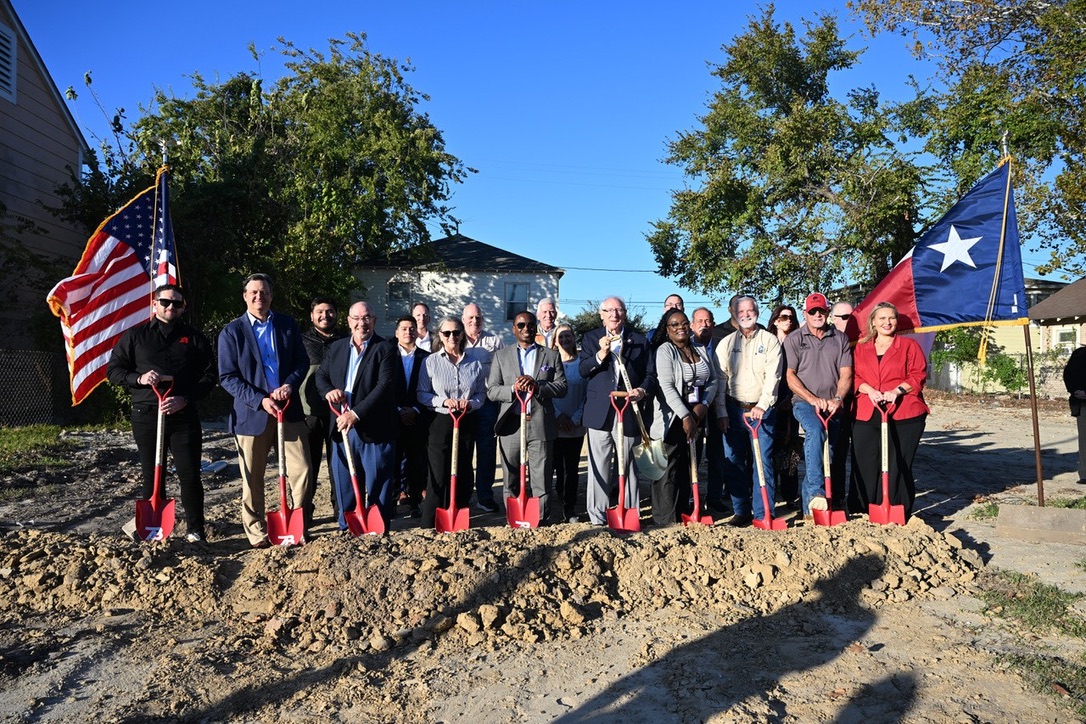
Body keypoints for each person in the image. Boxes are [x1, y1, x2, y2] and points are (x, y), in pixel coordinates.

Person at [107, 284, 217, 542]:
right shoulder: (135, 336)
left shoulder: (195, 338)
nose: (170, 307)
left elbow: (210, 376)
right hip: (146, 413)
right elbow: (114, 371)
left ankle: (195, 530)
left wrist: (185, 398)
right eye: (165, 302)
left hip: (183, 414)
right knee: (152, 471)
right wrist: (140, 378)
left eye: (176, 304)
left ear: (183, 307)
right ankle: (152, 527)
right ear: (154, 304)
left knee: (189, 473)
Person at [218, 273, 313, 548]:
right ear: (245, 296)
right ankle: (257, 531)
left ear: (271, 296)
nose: (260, 297)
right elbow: (228, 376)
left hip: (288, 410)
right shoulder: (232, 332)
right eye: (254, 293)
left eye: (265, 292)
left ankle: (297, 524)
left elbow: (301, 362)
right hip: (252, 415)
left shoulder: (287, 325)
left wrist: (289, 385)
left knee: (303, 469)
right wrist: (260, 400)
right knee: (252, 477)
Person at [317, 302, 400, 530]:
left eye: (366, 318)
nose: (361, 323)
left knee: (378, 483)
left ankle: (376, 528)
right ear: (348, 321)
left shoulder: (386, 349)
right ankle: (348, 526)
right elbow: (321, 376)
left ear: (373, 320)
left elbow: (384, 386)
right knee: (345, 484)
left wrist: (355, 414)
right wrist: (328, 391)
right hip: (343, 429)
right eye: (356, 318)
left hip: (375, 429)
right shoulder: (337, 348)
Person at [579, 296, 656, 525]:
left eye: (619, 310)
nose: (614, 315)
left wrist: (642, 391)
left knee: (629, 465)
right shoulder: (591, 338)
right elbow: (584, 370)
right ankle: (598, 516)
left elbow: (651, 375)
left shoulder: (640, 341)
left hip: (629, 410)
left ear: (625, 314)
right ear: (601, 314)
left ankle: (630, 513)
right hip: (599, 412)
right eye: (609, 311)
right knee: (598, 467)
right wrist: (600, 354)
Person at [487, 311, 567, 522]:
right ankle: (514, 518)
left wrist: (538, 386)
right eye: (521, 325)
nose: (526, 329)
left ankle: (539, 518)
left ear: (536, 327)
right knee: (511, 476)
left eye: (530, 325)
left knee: (541, 476)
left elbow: (562, 387)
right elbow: (492, 390)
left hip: (539, 422)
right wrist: (513, 388)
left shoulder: (551, 355)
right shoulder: (501, 356)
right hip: (511, 425)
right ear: (514, 328)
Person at [851, 302, 929, 516]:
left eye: (891, 318)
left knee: (897, 463)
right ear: (873, 322)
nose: (887, 322)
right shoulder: (860, 348)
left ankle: (898, 509)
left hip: (904, 413)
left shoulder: (909, 346)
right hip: (867, 410)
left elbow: (918, 375)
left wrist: (896, 391)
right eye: (882, 318)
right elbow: (854, 376)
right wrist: (868, 390)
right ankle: (862, 509)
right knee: (865, 460)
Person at [783, 292, 853, 519]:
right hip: (804, 402)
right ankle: (816, 492)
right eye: (812, 311)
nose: (817, 315)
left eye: (821, 311)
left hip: (832, 405)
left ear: (827, 312)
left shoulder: (839, 338)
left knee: (827, 455)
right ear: (805, 314)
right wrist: (812, 399)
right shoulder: (795, 339)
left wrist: (838, 399)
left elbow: (846, 374)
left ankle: (809, 511)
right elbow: (790, 376)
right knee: (815, 431)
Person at [715, 295, 783, 526]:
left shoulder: (770, 340)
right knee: (734, 461)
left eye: (750, 310)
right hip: (734, 409)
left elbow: (773, 377)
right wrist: (721, 413)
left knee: (763, 462)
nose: (745, 314)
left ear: (757, 311)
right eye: (741, 311)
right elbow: (720, 379)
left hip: (762, 411)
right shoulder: (726, 344)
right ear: (734, 314)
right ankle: (741, 510)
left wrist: (762, 405)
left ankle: (764, 512)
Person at [417, 316, 488, 528]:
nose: (452, 337)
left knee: (464, 469)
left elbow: (481, 394)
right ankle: (430, 520)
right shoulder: (430, 362)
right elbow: (422, 394)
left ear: (462, 335)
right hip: (441, 421)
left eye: (456, 332)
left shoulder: (474, 363)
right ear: (440, 335)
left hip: (466, 421)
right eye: (447, 333)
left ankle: (458, 512)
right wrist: (445, 401)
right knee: (438, 472)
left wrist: (470, 403)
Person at [650, 308, 716, 525]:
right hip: (673, 417)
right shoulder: (665, 351)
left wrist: (703, 405)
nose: (680, 328)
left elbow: (714, 380)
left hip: (697, 416)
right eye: (674, 325)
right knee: (667, 469)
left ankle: (684, 512)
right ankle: (664, 519)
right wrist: (686, 415)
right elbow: (666, 386)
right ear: (667, 330)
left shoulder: (700, 349)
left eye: (684, 323)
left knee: (690, 466)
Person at [301, 296, 346, 519]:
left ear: (337, 315)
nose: (325, 316)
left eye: (330, 311)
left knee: (339, 465)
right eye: (320, 312)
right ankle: (304, 512)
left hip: (339, 413)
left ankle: (341, 510)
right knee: (307, 467)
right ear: (312, 315)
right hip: (309, 413)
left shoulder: (346, 341)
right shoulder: (301, 341)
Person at [462, 303, 505, 513]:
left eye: (478, 317)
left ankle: (485, 496)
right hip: (464, 404)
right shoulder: (456, 339)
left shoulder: (494, 341)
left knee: (487, 450)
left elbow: (505, 369)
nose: (474, 321)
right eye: (470, 317)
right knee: (464, 450)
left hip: (488, 402)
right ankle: (464, 495)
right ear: (463, 319)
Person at [690, 306, 728, 512]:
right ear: (692, 325)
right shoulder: (685, 346)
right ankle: (691, 497)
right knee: (692, 452)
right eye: (700, 321)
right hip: (693, 406)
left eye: (708, 321)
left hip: (716, 406)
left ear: (713, 324)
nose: (704, 325)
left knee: (717, 454)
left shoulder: (722, 346)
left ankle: (714, 498)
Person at [392, 315, 430, 517]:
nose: (408, 332)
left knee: (416, 461)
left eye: (412, 328)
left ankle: (414, 501)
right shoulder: (387, 355)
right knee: (393, 461)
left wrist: (414, 410)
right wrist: (398, 410)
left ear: (417, 332)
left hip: (417, 417)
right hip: (392, 417)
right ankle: (392, 502)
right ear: (397, 333)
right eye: (404, 328)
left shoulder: (426, 357)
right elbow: (383, 387)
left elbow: (430, 388)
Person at [767, 304, 802, 507]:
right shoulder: (766, 340)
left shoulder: (798, 341)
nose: (788, 320)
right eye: (784, 317)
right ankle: (769, 495)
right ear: (775, 320)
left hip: (790, 401)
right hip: (768, 401)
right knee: (769, 449)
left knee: (790, 448)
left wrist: (792, 397)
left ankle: (790, 496)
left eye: (791, 317)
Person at [553, 323, 588, 522]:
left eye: (568, 336)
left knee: (571, 469)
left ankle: (570, 507)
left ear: (574, 339)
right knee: (556, 466)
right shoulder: (549, 362)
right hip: (554, 424)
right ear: (555, 341)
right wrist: (558, 415)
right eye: (561, 336)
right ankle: (554, 501)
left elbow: (586, 394)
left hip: (575, 425)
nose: (565, 340)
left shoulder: (582, 363)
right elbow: (546, 391)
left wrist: (575, 418)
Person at [830, 300, 859, 511]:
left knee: (860, 455)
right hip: (834, 406)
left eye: (853, 316)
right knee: (835, 455)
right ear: (833, 319)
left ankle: (857, 500)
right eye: (845, 317)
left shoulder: (863, 340)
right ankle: (835, 498)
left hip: (860, 405)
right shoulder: (828, 341)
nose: (850, 321)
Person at [1066, 346, 1086, 485]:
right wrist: (1074, 391)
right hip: (1081, 403)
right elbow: (1067, 374)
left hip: (1082, 398)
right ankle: (1084, 473)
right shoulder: (1079, 354)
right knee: (1084, 439)